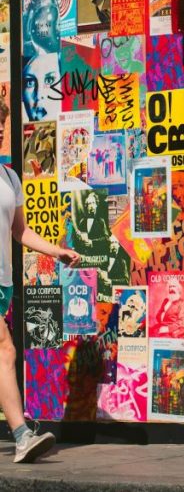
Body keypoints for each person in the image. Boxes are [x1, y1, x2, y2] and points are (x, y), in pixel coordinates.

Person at [0, 163, 80, 462]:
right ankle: (22, 436)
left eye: (2, 122)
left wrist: (54, 251)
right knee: (4, 350)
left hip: (2, 283)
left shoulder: (9, 177)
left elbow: (19, 230)